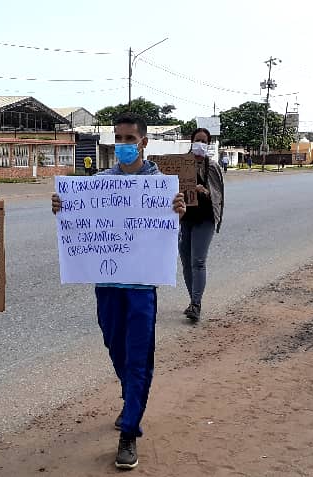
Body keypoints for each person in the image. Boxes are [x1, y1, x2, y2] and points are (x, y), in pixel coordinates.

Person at [50, 113, 186, 470]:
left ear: (143, 142)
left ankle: (129, 431)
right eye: (119, 138)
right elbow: (79, 219)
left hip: (141, 286)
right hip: (108, 285)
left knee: (138, 356)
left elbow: (167, 236)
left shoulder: (161, 185)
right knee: (115, 346)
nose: (124, 145)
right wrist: (62, 208)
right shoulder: (99, 182)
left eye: (130, 138)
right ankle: (130, 398)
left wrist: (177, 214)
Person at [178, 128, 224, 322]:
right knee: (186, 263)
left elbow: (218, 196)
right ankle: (192, 300)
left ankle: (196, 303)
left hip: (204, 219)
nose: (200, 144)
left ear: (209, 143)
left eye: (204, 141)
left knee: (198, 261)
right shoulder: (180, 164)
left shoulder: (212, 167)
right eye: (197, 140)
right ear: (191, 141)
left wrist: (203, 191)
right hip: (184, 218)